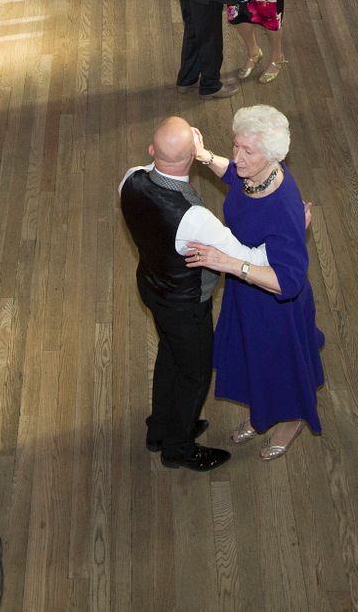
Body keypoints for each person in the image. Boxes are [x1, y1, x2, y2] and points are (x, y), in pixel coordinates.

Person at [118, 115, 274, 471]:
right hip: (185, 304)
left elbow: (158, 165)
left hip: (151, 287)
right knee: (195, 373)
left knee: (170, 354)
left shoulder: (130, 178)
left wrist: (187, 147)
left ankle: (160, 428)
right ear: (191, 158)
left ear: (151, 150)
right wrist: (290, 230)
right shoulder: (195, 218)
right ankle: (179, 447)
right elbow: (248, 258)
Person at [183, 105, 323, 462]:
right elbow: (237, 178)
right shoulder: (258, 174)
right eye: (236, 146)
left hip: (275, 305)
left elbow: (288, 282)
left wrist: (228, 263)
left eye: (248, 151)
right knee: (254, 359)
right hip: (248, 291)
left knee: (278, 364)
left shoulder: (283, 207)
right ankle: (263, 414)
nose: (237, 157)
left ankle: (290, 420)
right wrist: (204, 156)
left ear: (273, 156)